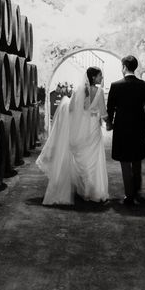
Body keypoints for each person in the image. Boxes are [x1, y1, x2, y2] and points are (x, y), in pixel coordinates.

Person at [36, 67, 109, 205]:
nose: (102, 78)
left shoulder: (78, 91)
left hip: (80, 129)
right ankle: (90, 190)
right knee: (92, 159)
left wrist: (67, 105)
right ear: (93, 77)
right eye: (100, 76)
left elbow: (70, 109)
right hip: (93, 128)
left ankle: (84, 188)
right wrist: (110, 124)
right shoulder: (99, 92)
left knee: (80, 157)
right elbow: (104, 114)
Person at [105, 55, 145, 206]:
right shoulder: (144, 85)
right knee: (137, 158)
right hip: (139, 126)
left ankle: (129, 194)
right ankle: (137, 189)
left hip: (122, 127)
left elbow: (110, 108)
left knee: (125, 161)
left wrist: (110, 124)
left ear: (124, 67)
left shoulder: (116, 85)